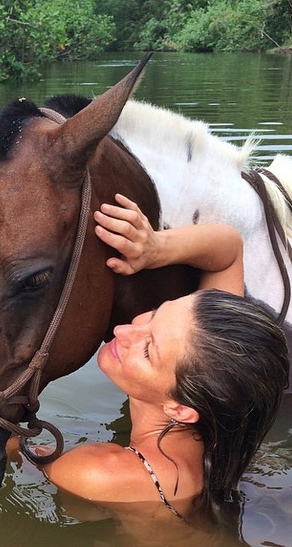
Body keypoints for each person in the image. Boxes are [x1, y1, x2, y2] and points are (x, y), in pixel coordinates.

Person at [30, 193, 289, 522]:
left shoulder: (100, 473)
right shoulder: (213, 381)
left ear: (180, 409)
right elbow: (229, 249)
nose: (125, 331)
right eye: (154, 314)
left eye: (148, 349)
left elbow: (14, 454)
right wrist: (154, 248)